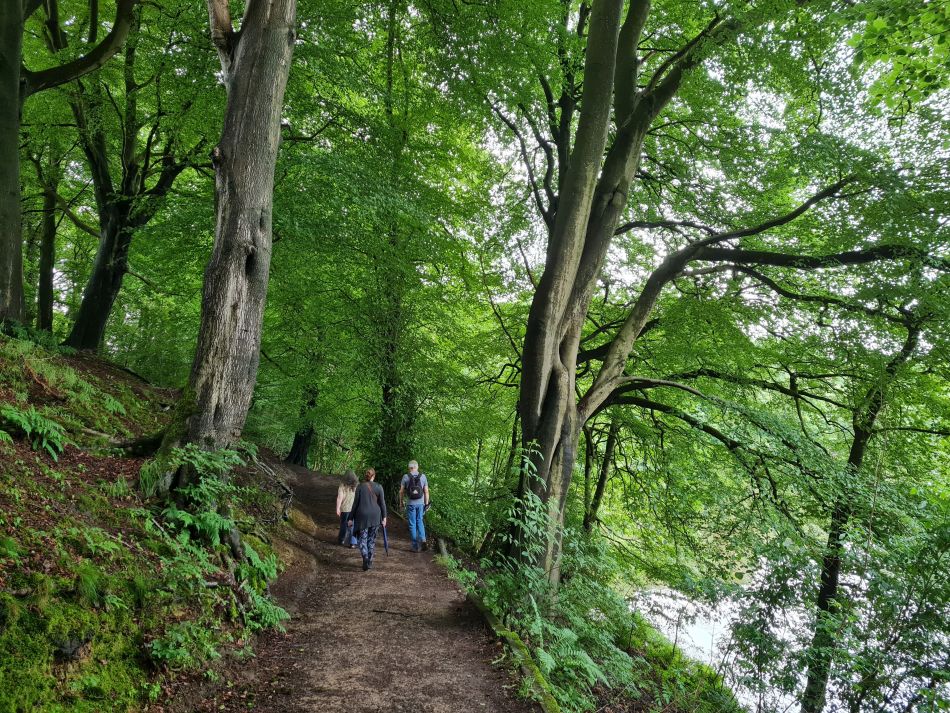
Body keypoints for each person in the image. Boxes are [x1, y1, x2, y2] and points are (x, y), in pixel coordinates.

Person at [347, 468, 387, 571]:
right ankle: (370, 561)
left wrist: (350, 518)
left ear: (366, 476)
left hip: (362, 516)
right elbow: (382, 504)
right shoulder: (379, 487)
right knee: (371, 540)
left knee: (362, 539)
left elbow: (355, 504)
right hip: (375, 516)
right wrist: (384, 517)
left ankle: (365, 557)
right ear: (374, 476)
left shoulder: (360, 487)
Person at [399, 459, 430, 552]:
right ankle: (423, 540)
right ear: (417, 467)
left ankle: (415, 546)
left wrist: (401, 502)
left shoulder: (406, 476)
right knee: (419, 521)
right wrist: (426, 504)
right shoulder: (423, 476)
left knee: (412, 524)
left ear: (409, 468)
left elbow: (401, 491)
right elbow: (426, 491)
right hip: (420, 504)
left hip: (411, 504)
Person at [335, 470, 359, 547]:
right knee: (352, 525)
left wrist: (338, 508)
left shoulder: (342, 485)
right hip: (354, 509)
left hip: (344, 509)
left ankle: (341, 540)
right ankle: (352, 543)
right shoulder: (356, 486)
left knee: (343, 524)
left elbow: (340, 498)